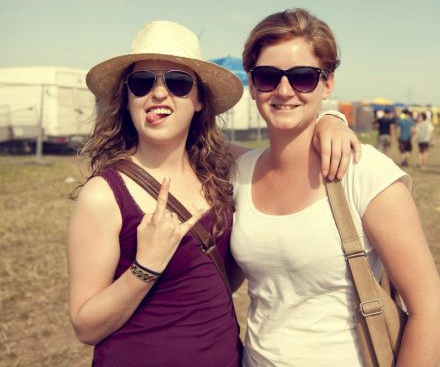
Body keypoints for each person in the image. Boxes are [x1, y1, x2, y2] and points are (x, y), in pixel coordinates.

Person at [67, 20, 358, 367]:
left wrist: (331, 118)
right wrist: (145, 268)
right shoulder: (104, 195)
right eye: (142, 83)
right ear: (128, 99)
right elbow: (86, 327)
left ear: (200, 100)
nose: (158, 94)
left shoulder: (223, 170)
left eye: (177, 82)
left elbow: (283, 152)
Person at [231, 8, 440, 366]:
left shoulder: (365, 173)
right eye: (267, 76)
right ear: (252, 85)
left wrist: (333, 119)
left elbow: (429, 309)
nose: (284, 90)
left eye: (303, 77)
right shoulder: (240, 171)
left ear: (328, 83)